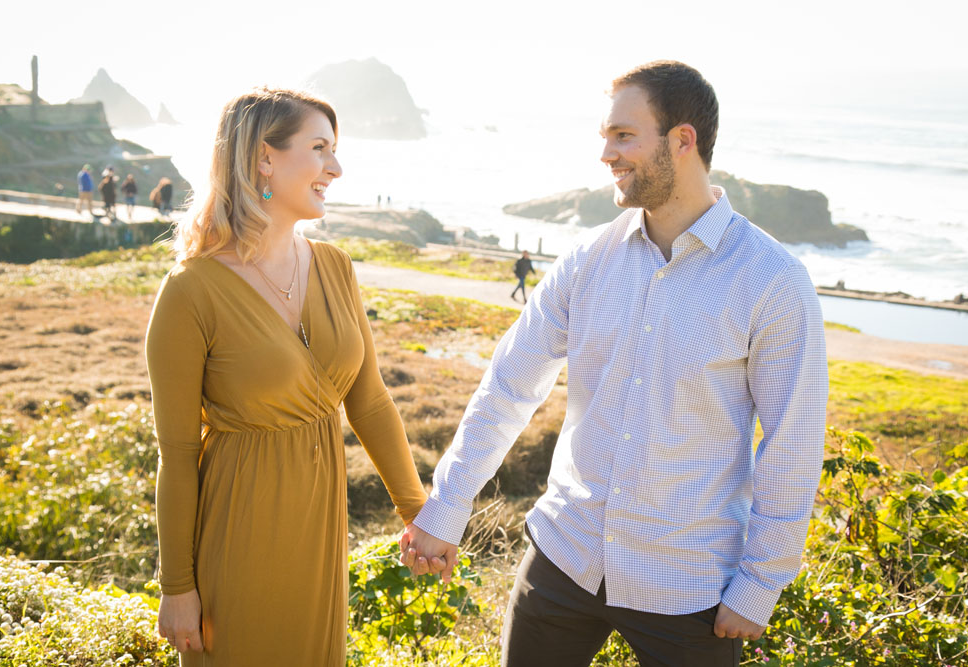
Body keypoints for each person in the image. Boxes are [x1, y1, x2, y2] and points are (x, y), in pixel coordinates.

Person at [400, 60, 828, 666]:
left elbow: (792, 441)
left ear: (683, 141)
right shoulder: (585, 260)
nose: (606, 153)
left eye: (623, 135)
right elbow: (508, 389)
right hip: (564, 557)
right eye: (604, 135)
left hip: (688, 588)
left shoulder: (772, 279)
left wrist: (761, 583)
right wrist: (447, 507)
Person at [145, 87, 428, 665]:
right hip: (238, 537)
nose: (336, 167)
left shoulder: (334, 266)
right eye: (320, 148)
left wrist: (418, 512)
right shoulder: (190, 291)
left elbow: (369, 402)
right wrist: (177, 587)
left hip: (321, 537)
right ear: (264, 158)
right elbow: (176, 453)